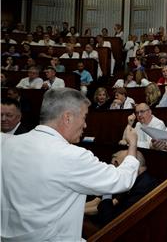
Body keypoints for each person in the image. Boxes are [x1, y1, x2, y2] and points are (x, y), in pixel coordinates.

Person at [1, 88, 141, 241]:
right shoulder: (72, 156)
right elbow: (122, 180)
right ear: (67, 117)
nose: (85, 125)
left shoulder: (6, 143)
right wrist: (132, 143)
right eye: (84, 117)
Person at [84, 149, 158, 227]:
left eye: (117, 166)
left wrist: (107, 192)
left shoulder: (145, 187)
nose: (115, 172)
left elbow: (110, 221)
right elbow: (99, 203)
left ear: (133, 166)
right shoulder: (135, 181)